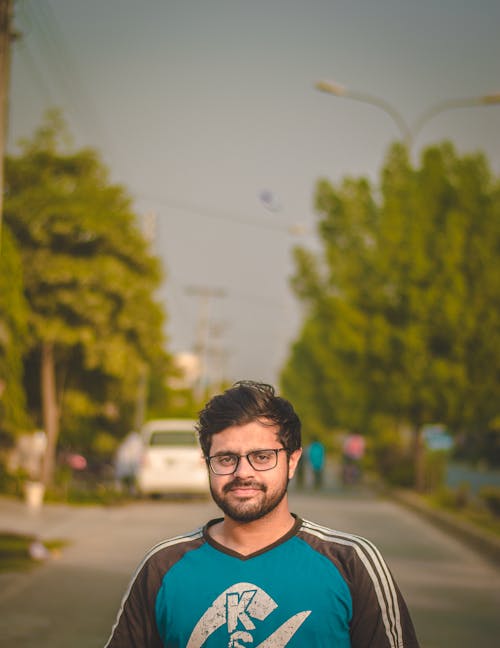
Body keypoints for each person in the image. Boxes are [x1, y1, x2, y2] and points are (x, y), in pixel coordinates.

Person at [105, 380, 420, 648]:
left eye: (262, 456)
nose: (243, 472)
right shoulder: (161, 568)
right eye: (226, 458)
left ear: (292, 461)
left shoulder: (351, 563)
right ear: (207, 464)